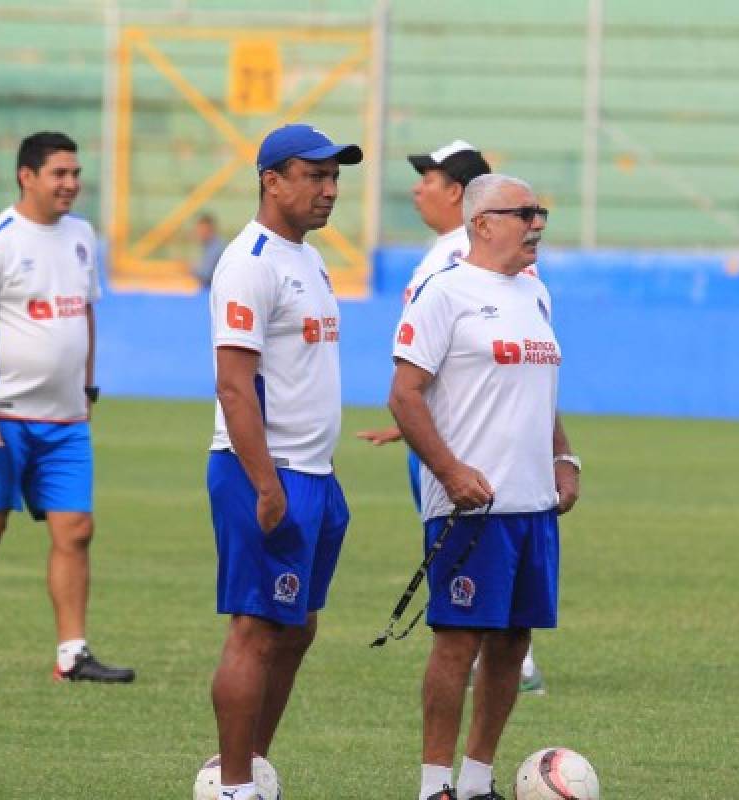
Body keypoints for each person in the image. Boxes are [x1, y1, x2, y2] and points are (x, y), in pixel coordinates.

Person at [388, 174, 581, 800]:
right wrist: (448, 472)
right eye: (524, 213)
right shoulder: (444, 295)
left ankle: (475, 781)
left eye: (540, 212)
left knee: (513, 640)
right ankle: (433, 785)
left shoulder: (536, 293)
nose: (537, 224)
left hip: (533, 505)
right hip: (471, 506)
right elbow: (404, 396)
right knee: (457, 642)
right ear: (482, 222)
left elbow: (539, 385)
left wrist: (563, 454)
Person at [0, 131, 135, 683]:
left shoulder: (81, 235)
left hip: (66, 419)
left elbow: (86, 315)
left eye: (76, 173)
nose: (72, 184)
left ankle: (72, 654)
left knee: (76, 529)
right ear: (27, 176)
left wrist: (90, 388)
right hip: (2, 417)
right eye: (60, 174)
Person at [206, 123, 362, 800]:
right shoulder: (251, 262)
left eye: (334, 178)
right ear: (272, 180)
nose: (329, 190)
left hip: (315, 473)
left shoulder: (308, 257)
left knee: (297, 627)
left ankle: (253, 763)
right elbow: (234, 384)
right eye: (314, 176)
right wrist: (265, 484)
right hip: (266, 473)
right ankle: (235, 783)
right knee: (257, 628)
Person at [357, 141, 546, 695]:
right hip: (443, 437)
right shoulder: (441, 255)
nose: (419, 188)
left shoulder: (457, 263)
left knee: (461, 565)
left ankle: (510, 661)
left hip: (472, 460)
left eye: (431, 178)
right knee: (463, 563)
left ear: (462, 196)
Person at [191, 212, 228, 289]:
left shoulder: (216, 248)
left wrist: (190, 269)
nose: (198, 233)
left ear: (209, 229)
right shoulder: (210, 246)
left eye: (200, 229)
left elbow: (206, 274)